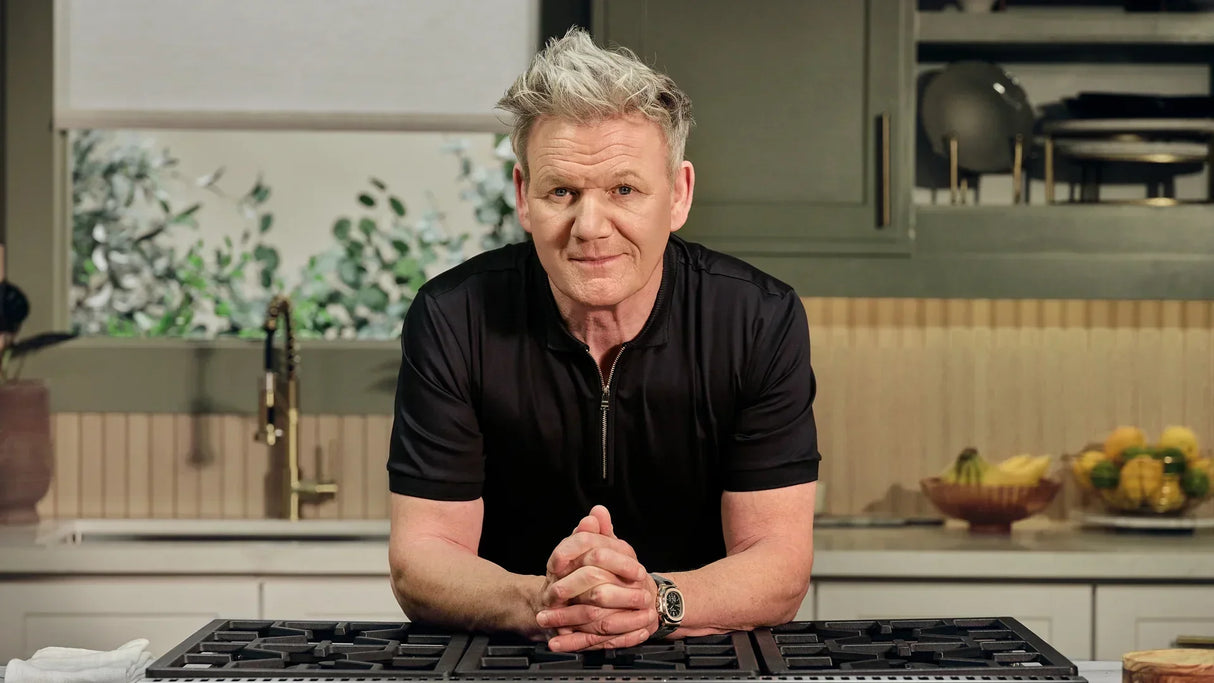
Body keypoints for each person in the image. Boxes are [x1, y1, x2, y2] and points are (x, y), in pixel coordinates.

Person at [386, 27, 820, 653]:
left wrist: (655, 603)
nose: (590, 227)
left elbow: (777, 563)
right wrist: (544, 600)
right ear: (522, 198)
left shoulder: (759, 319)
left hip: (703, 653)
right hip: (511, 652)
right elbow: (422, 558)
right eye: (561, 191)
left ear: (678, 195)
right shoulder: (453, 317)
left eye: (624, 189)